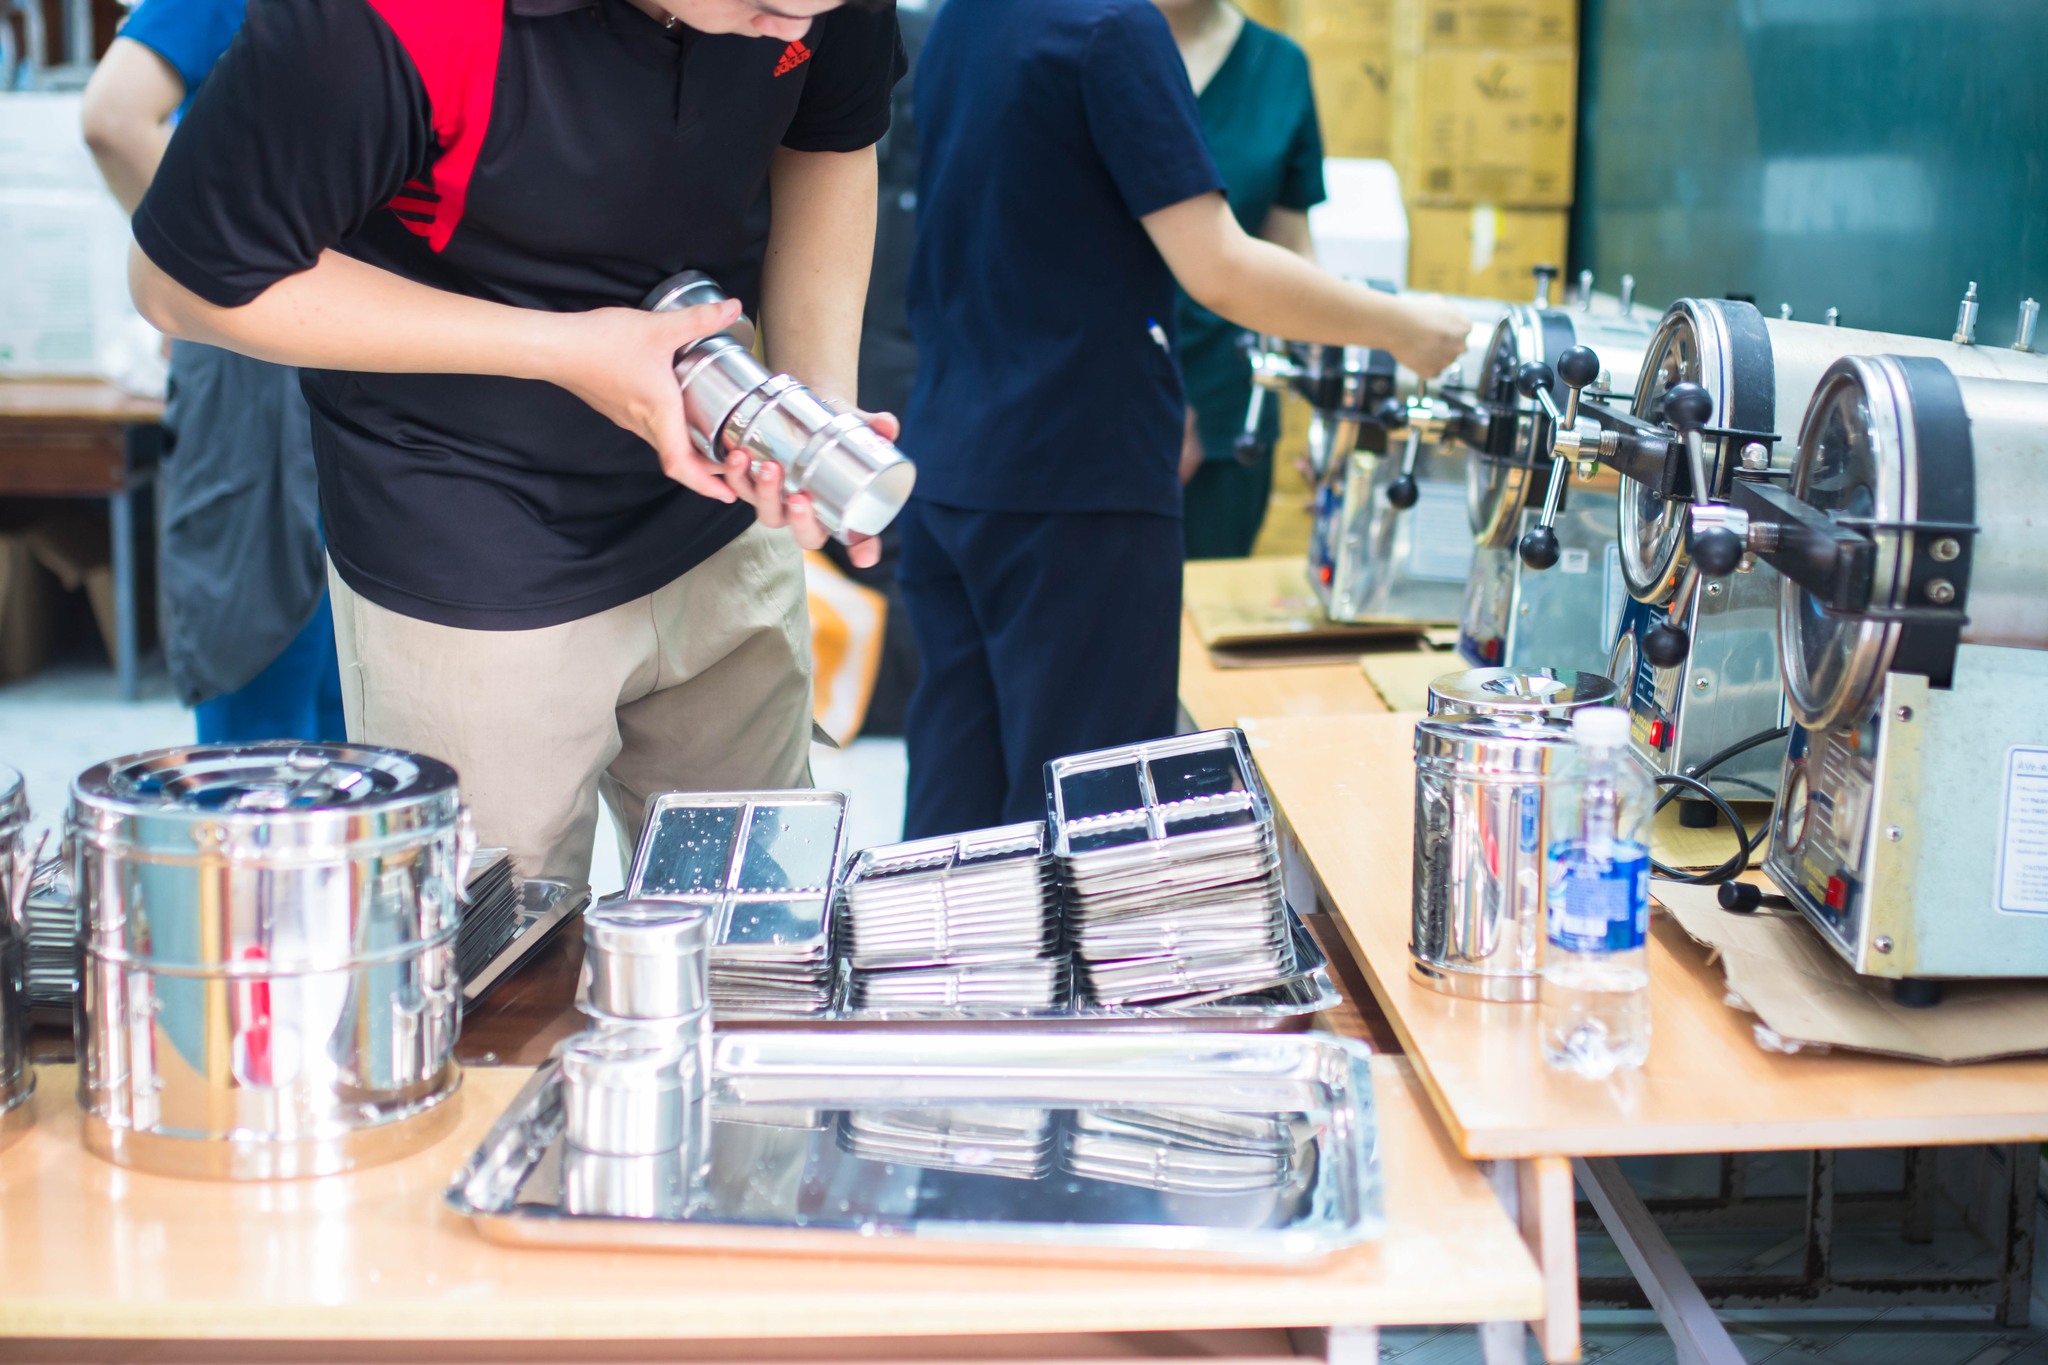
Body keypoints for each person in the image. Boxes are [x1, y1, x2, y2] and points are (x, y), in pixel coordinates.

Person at [126, 0, 905, 887]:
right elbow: (182, 280)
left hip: (715, 504)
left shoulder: (808, 7)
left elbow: (829, 136)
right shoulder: (390, 19)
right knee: (502, 943)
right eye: (769, 3)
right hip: (468, 537)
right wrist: (565, 352)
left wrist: (807, 410)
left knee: (760, 913)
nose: (795, 27)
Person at [897, 0, 1466, 837]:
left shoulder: (967, 16)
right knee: (1088, 831)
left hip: (951, 468)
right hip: (1078, 484)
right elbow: (1221, 268)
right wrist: (1404, 327)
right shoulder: (1114, 28)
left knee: (955, 833)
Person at [80, 0, 344, 744]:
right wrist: (216, 265)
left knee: (349, 686)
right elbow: (113, 119)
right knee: (261, 667)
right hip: (268, 355)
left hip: (349, 349)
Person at [1153, 0, 1323, 561]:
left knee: (1211, 600)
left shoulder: (1279, 68)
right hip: (1101, 404)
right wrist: (1146, 393)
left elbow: (1289, 251)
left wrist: (1330, 420)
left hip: (1230, 411)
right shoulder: (1089, 50)